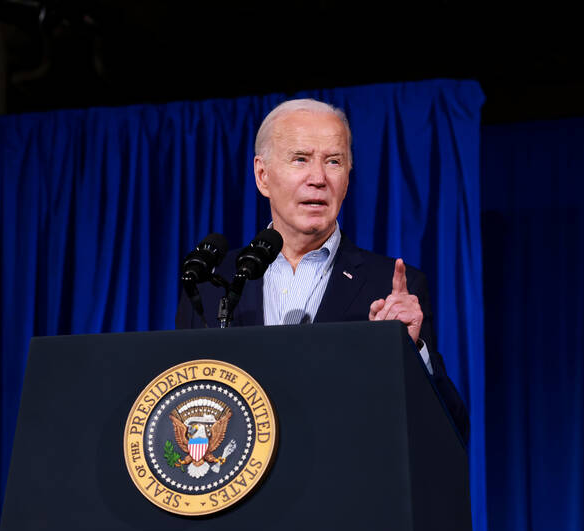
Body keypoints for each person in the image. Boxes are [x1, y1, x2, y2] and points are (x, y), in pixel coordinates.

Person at [175, 98, 469, 440]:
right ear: (262, 175)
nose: (318, 178)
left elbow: (450, 429)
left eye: (334, 161)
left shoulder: (390, 287)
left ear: (347, 177)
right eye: (300, 159)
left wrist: (412, 353)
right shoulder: (213, 283)